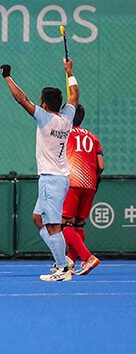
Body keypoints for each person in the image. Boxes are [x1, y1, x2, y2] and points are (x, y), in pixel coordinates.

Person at [0, 59, 78, 282]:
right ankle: (61, 257)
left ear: (43, 104)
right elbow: (74, 96)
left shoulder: (45, 118)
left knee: (53, 225)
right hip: (59, 178)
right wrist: (70, 71)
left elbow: (21, 99)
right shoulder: (67, 118)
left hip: (51, 179)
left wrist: (7, 77)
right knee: (38, 218)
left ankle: (62, 269)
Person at [63, 104, 104, 276]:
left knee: (62, 224)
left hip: (72, 181)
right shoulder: (93, 137)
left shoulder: (64, 134)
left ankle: (88, 257)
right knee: (78, 224)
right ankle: (70, 265)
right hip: (90, 183)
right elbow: (101, 166)